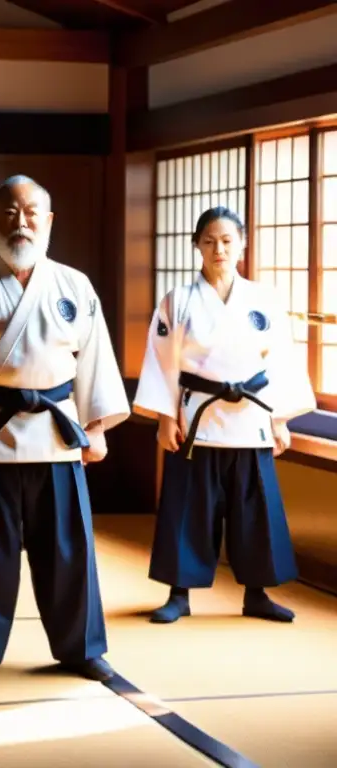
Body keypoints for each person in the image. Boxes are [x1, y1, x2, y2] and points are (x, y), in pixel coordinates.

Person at [0, 175, 130, 680]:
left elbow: (95, 361)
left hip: (56, 436)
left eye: (32, 212)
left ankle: (81, 648)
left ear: (49, 220)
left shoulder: (74, 286)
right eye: (10, 213)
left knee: (67, 550)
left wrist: (97, 426)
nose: (21, 223)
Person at [133, 206, 315, 624]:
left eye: (228, 241)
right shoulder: (177, 301)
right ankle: (179, 595)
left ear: (242, 245)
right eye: (210, 240)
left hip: (252, 419)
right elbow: (163, 362)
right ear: (196, 244)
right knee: (188, 509)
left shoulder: (264, 300)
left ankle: (257, 594)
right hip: (198, 420)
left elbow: (282, 362)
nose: (219, 249)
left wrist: (280, 418)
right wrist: (165, 417)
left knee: (256, 513)